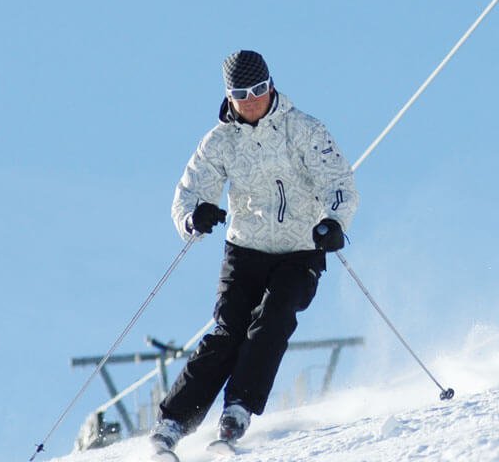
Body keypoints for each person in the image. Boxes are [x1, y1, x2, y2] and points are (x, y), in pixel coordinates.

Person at [149, 50, 359, 456]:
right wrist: (196, 217)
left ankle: (237, 411)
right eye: (241, 93)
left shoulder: (304, 130)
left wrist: (334, 223)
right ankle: (173, 423)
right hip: (245, 250)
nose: (252, 100)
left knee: (274, 319)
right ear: (229, 97)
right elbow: (188, 195)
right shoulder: (220, 141)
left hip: (299, 250)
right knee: (228, 331)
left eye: (259, 90)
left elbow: (339, 183)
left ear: (272, 85)